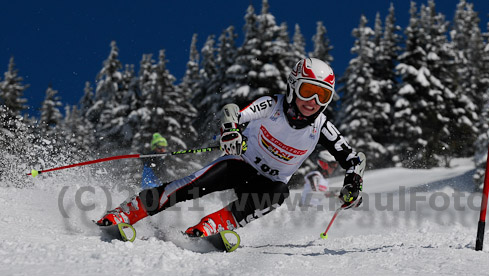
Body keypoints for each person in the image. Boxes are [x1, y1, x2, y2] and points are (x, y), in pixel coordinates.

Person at [96, 58, 365, 238]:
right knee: (190, 185)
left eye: (322, 96)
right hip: (240, 165)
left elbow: (353, 159)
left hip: (267, 185)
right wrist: (231, 131)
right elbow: (233, 112)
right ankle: (128, 212)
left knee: (279, 193)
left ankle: (217, 224)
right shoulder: (272, 105)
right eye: (308, 90)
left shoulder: (322, 126)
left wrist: (353, 184)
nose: (313, 101)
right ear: (293, 86)